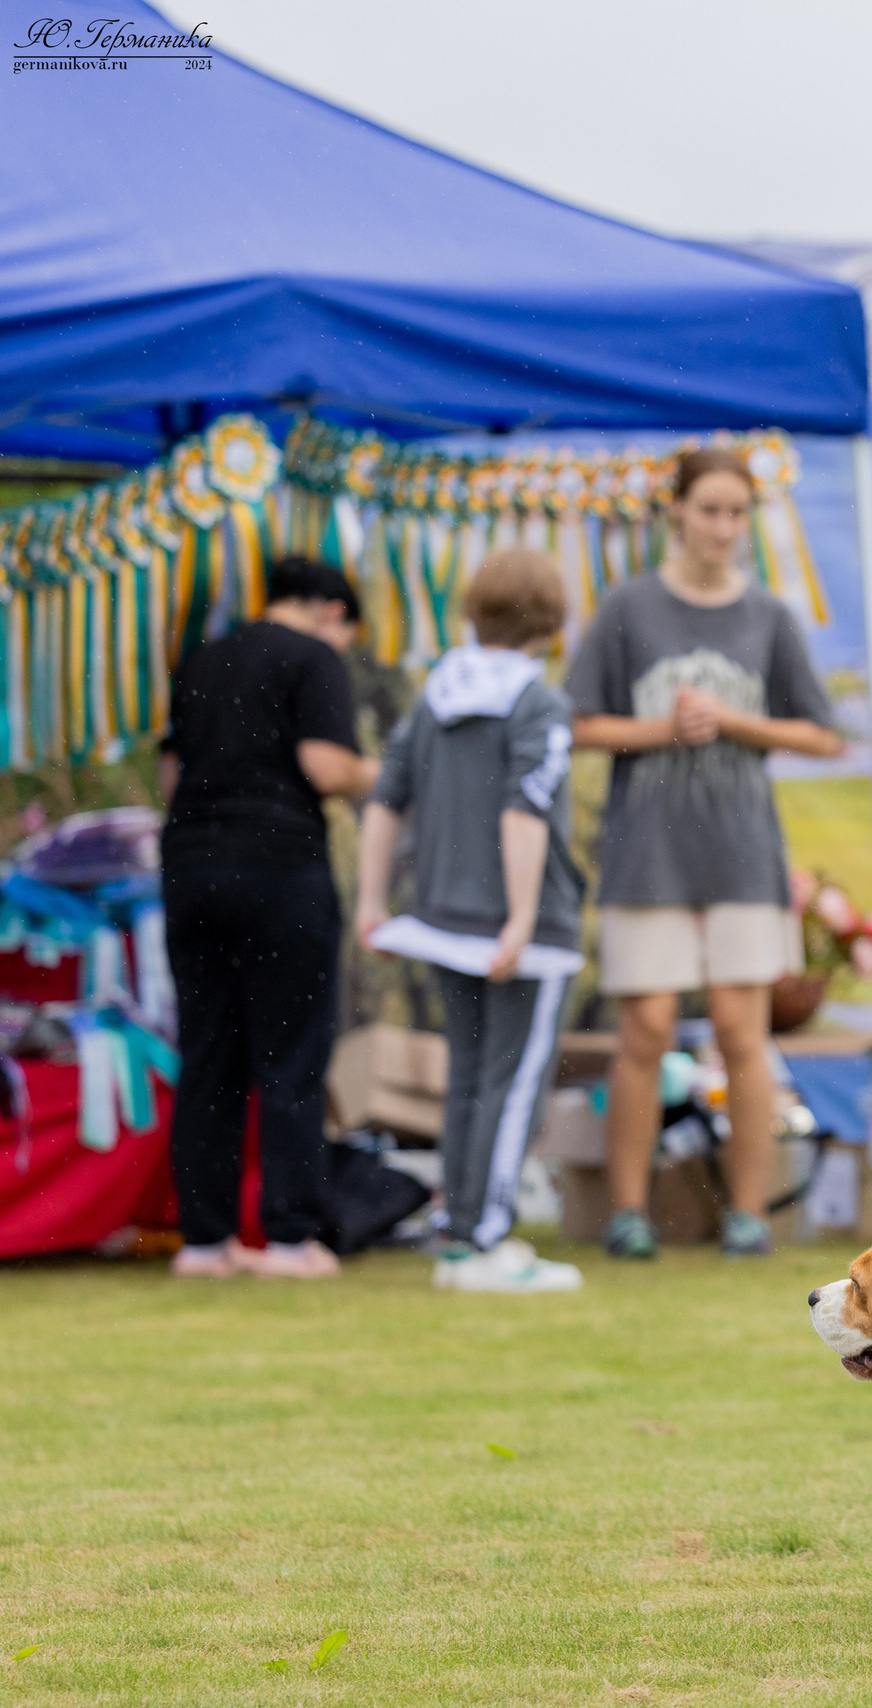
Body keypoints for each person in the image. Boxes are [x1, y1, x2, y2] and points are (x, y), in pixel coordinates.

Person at [567, 447, 844, 1261]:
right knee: (646, 1031)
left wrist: (733, 721)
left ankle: (749, 1214)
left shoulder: (768, 616)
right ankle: (628, 1212)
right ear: (675, 513)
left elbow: (820, 733)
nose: (722, 527)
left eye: (735, 512)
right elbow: (579, 722)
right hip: (647, 853)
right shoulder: (628, 606)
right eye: (708, 510)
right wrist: (661, 730)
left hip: (742, 851)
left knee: (740, 1031)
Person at [354, 547, 586, 1294]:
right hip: (524, 927)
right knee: (513, 1081)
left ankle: (460, 1230)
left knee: (468, 1078)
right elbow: (527, 809)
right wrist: (521, 919)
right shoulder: (539, 703)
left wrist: (370, 902)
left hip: (442, 919)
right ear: (551, 622)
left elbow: (385, 800)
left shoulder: (434, 696)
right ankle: (484, 1239)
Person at [158, 556, 378, 1280]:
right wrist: (384, 776)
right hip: (280, 869)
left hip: (191, 866)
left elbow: (170, 775)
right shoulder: (313, 658)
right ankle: (290, 1238)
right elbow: (324, 765)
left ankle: (203, 1239)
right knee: (290, 1055)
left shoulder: (204, 657)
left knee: (209, 1053)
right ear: (330, 613)